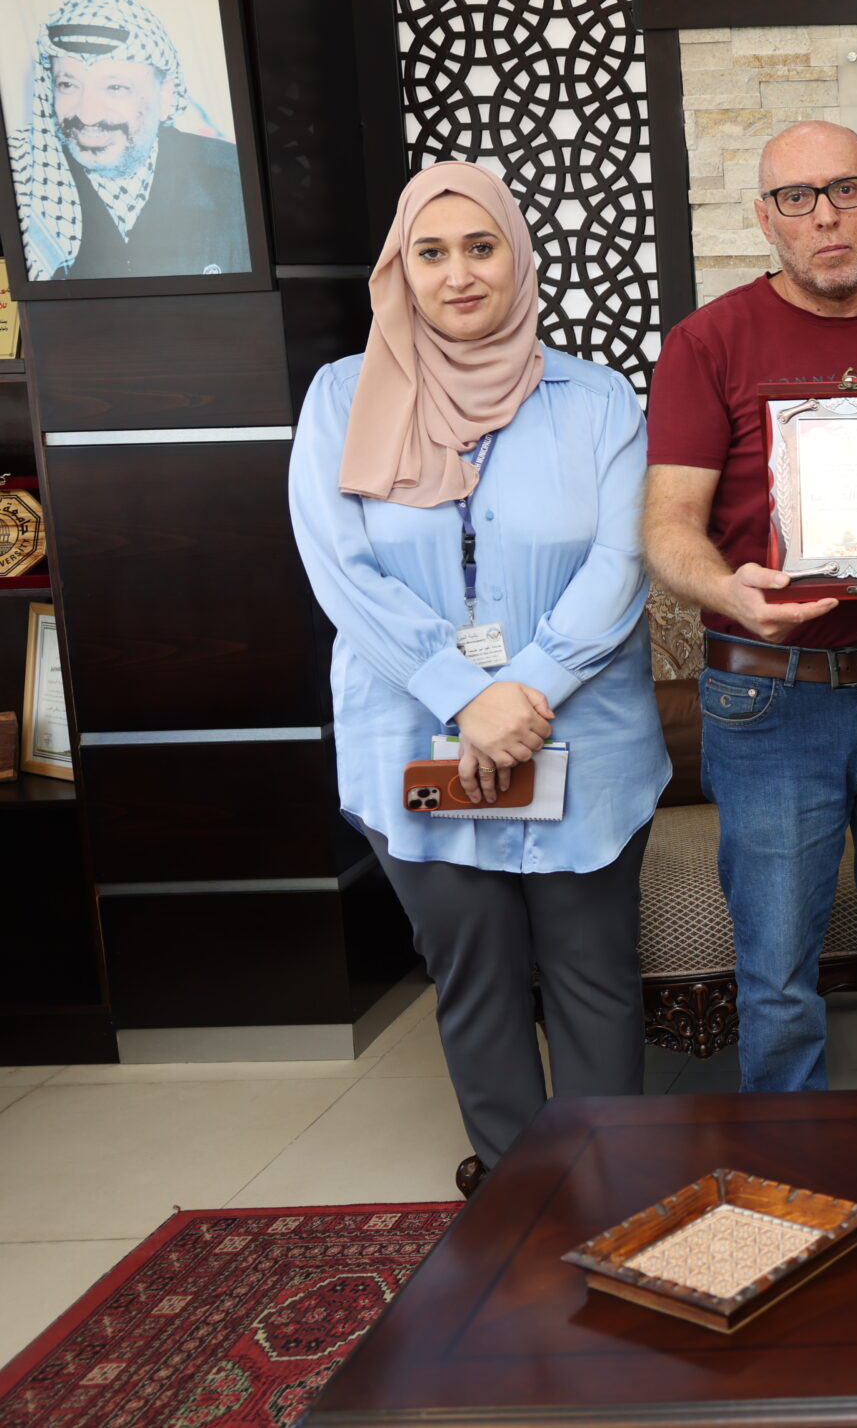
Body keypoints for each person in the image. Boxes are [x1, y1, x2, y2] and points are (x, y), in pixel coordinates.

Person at [287, 161, 667, 1194]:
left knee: (594, 975)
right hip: (411, 734)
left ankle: (611, 1193)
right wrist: (465, 695)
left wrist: (521, 689)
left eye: (480, 247)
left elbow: (623, 561)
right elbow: (340, 567)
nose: (458, 274)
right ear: (399, 271)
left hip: (579, 734)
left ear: (518, 257)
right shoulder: (340, 400)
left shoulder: (597, 400)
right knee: (474, 978)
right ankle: (518, 1196)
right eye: (431, 252)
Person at [643, 121, 857, 1093]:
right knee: (779, 971)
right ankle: (798, 1168)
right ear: (765, 218)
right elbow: (667, 524)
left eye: (844, 190)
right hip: (772, 699)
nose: (824, 216)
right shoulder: (708, 343)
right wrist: (726, 589)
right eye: (796, 198)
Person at [7, 0, 252, 279]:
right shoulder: (24, 179)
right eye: (68, 85)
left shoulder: (235, 180)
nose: (88, 115)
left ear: (165, 95)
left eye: (115, 87)